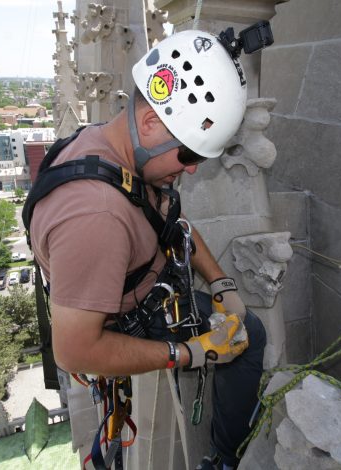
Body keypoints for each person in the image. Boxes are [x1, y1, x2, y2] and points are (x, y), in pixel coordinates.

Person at [25, 30, 266, 470]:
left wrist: (221, 282)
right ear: (152, 124)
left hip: (149, 285)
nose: (192, 168)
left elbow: (169, 223)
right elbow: (76, 349)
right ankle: (227, 462)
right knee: (251, 339)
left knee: (242, 324)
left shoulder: (115, 147)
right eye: (189, 153)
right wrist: (189, 353)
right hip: (128, 324)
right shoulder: (95, 217)